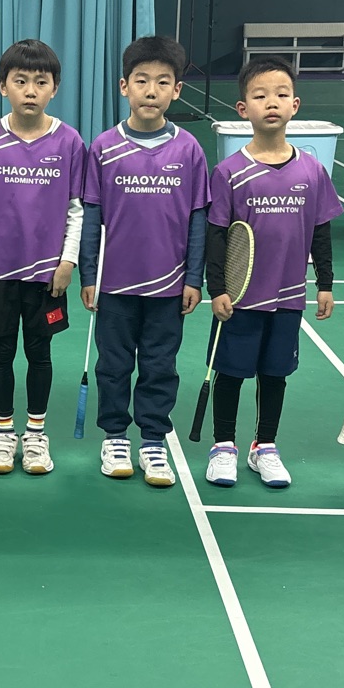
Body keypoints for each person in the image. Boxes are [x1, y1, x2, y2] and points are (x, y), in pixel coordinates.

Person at [202, 57, 341, 489]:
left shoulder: (312, 171)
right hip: (241, 296)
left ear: (295, 105)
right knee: (230, 372)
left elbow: (320, 231)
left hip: (288, 296)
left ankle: (265, 446)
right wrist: (217, 288)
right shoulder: (228, 172)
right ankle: (223, 445)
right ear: (243, 109)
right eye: (260, 96)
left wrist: (325, 284)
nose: (272, 103)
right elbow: (216, 235)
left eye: (281, 94)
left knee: (275, 374)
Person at [76, 36, 208, 488]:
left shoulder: (189, 149)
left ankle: (153, 440)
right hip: (115, 285)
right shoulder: (104, 148)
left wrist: (194, 278)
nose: (151, 91)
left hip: (169, 286)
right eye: (142, 81)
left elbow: (197, 218)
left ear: (177, 90)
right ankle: (115, 437)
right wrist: (89, 274)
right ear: (124, 86)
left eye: (163, 82)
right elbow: (92, 216)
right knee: (113, 366)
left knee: (159, 366)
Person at [0, 39, 86, 476]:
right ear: (3, 87)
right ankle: (3, 434)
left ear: (55, 88)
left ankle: (35, 434)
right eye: (20, 81)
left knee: (40, 353)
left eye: (40, 81)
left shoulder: (70, 142)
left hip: (46, 275)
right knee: (0, 353)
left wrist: (67, 262)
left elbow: (76, 209)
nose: (30, 90)